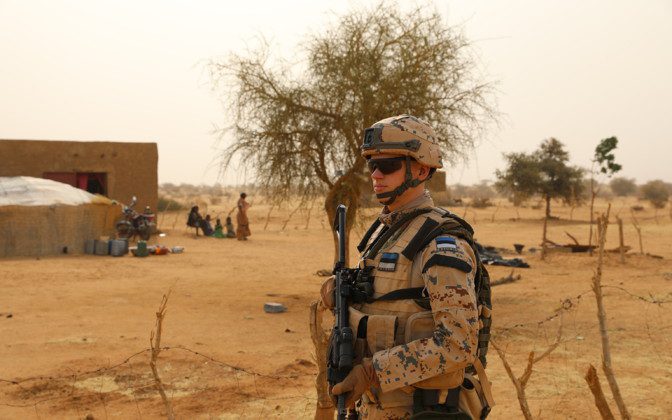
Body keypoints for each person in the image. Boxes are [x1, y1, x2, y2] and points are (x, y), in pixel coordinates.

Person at [319, 115, 494, 419]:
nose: (376, 174)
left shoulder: (439, 244)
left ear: (422, 169)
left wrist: (373, 372)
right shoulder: (388, 233)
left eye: (388, 165)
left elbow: (458, 344)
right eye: (372, 165)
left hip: (422, 411)